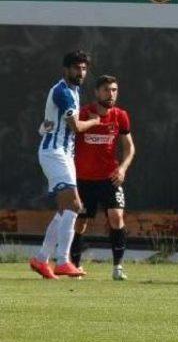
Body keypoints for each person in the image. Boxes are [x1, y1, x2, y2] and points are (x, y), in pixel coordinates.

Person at [30, 50, 100, 279]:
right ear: (66, 69)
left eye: (84, 68)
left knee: (63, 211)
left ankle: (41, 260)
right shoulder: (64, 93)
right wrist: (95, 120)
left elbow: (50, 121)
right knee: (75, 205)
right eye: (76, 68)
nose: (81, 72)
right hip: (54, 153)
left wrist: (47, 124)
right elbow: (76, 128)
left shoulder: (73, 90)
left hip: (63, 153)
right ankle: (62, 261)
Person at [70, 75, 135, 281]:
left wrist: (123, 169)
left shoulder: (120, 116)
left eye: (114, 90)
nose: (111, 94)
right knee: (80, 223)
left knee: (116, 217)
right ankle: (75, 267)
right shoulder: (83, 113)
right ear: (97, 92)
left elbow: (129, 147)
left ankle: (117, 267)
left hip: (109, 179)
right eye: (106, 90)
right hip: (83, 179)